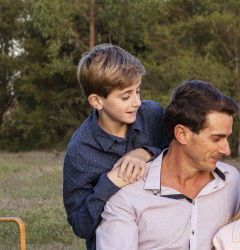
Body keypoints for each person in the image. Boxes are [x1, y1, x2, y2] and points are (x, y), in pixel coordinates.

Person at [96, 80, 240, 250]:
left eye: (227, 138)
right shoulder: (129, 194)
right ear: (182, 134)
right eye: (216, 139)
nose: (227, 150)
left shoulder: (231, 182)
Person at [62, 44, 168, 250]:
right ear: (96, 101)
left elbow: (178, 155)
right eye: (126, 96)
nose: (137, 102)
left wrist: (145, 152)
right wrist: (110, 182)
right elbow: (80, 226)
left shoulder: (153, 114)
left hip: (162, 234)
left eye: (138, 91)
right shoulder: (79, 152)